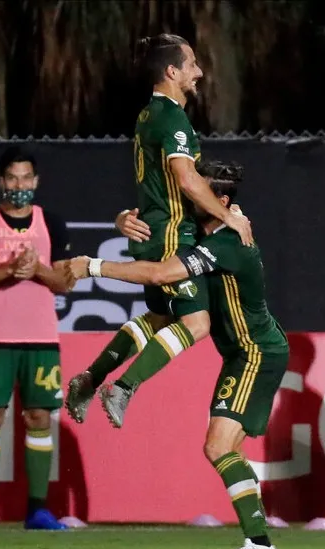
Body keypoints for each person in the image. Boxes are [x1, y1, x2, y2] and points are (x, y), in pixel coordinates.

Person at [65, 160, 286, 549]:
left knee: (218, 446)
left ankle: (261, 545)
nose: (189, 193)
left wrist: (92, 266)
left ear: (219, 201)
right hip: (243, 353)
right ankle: (259, 543)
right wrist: (121, 220)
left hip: (255, 353)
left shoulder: (227, 242)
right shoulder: (200, 226)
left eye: (198, 189)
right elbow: (146, 217)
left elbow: (160, 272)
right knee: (227, 447)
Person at [66, 33, 253, 427]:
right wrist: (229, 216)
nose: (199, 72)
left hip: (156, 228)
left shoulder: (148, 114)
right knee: (197, 323)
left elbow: (160, 180)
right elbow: (185, 179)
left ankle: (92, 377)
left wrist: (125, 216)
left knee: (160, 319)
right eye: (192, 65)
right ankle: (123, 387)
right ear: (172, 71)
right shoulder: (173, 118)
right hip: (172, 235)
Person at [0, 146, 72, 531]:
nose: (19, 185)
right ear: (1, 182)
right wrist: (8, 269)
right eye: (12, 178)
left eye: (26, 178)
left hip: (41, 339)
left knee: (39, 417)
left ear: (36, 182)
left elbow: (64, 282)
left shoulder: (51, 222)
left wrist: (35, 268)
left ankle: (37, 509)